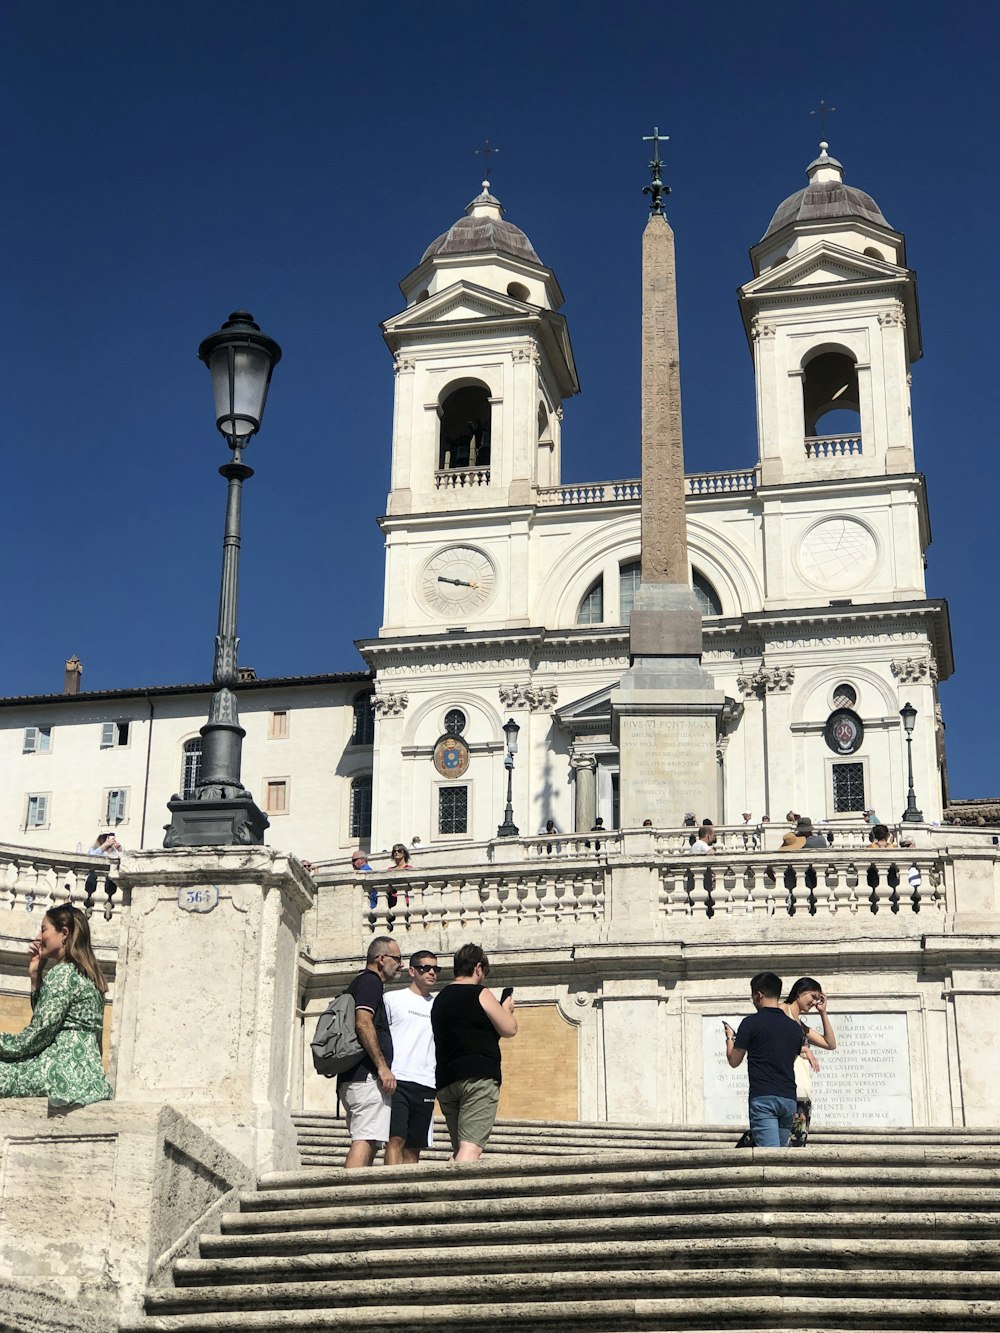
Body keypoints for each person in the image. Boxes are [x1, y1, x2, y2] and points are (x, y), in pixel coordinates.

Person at [0, 904, 112, 1107]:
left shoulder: (62, 974)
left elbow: (38, 1034)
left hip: (61, 1073)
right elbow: (50, 1018)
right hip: (88, 1077)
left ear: (64, 933)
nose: (38, 936)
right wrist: (36, 977)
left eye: (44, 929)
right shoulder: (91, 977)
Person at [431, 943, 517, 1163]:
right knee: (471, 1149)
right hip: (478, 1077)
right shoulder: (480, 993)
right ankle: (455, 1196)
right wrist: (506, 1010)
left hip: (447, 1080)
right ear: (478, 968)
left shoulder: (439, 1000)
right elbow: (509, 1029)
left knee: (461, 1149)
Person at [338, 936, 402, 1168]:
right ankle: (348, 1198)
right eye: (397, 958)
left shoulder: (361, 982)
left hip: (356, 1076)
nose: (401, 964)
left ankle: (356, 1195)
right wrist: (382, 1067)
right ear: (381, 958)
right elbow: (363, 1022)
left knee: (371, 1139)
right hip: (365, 1076)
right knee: (365, 1138)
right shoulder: (370, 982)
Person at [724, 971, 804, 1148]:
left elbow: (734, 1060)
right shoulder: (795, 1028)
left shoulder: (750, 1023)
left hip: (764, 1097)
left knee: (769, 1158)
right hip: (788, 1098)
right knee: (780, 1155)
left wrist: (730, 1038)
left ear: (758, 994)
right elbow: (789, 1059)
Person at [384, 950, 439, 1165]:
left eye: (435, 969)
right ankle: (388, 1192)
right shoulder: (392, 999)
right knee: (395, 1138)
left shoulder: (438, 1006)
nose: (432, 973)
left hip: (426, 1081)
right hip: (397, 1079)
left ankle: (407, 1194)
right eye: (426, 968)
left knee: (415, 1145)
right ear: (412, 971)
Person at [781, 977, 837, 1148]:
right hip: (784, 1089)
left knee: (796, 1146)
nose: (814, 1002)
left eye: (818, 999)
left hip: (801, 1092)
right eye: (812, 996)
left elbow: (830, 1043)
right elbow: (775, 1041)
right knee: (781, 1144)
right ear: (799, 992)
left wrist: (823, 1013)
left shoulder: (800, 1024)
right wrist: (804, 1049)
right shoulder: (781, 1011)